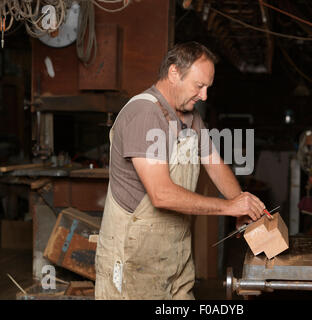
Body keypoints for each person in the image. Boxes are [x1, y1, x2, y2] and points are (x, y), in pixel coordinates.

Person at [95, 41, 266, 300]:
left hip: (174, 255)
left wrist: (239, 204)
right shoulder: (144, 114)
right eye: (199, 86)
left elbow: (214, 163)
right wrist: (228, 207)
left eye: (208, 87)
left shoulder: (190, 117)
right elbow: (161, 194)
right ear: (174, 73)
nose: (205, 96)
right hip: (134, 260)